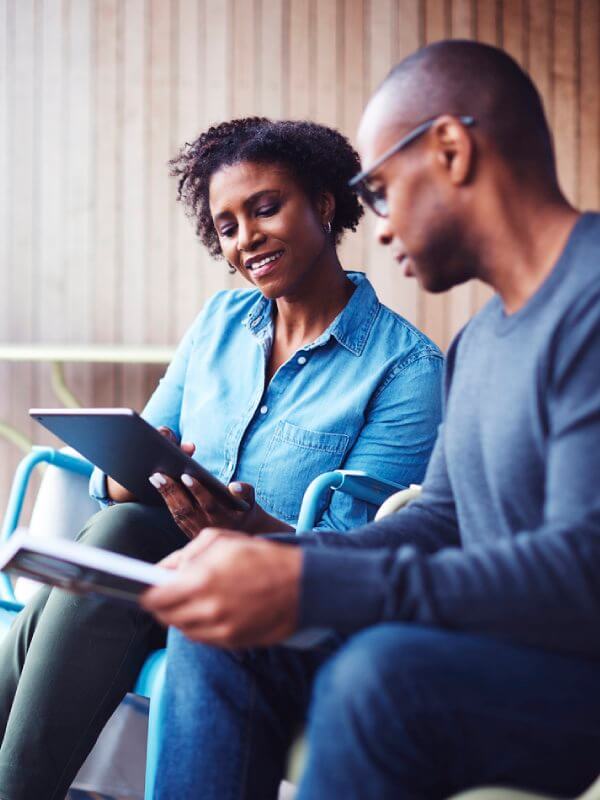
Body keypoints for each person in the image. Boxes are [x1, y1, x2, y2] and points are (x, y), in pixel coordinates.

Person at [143, 41, 600, 800]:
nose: (378, 228)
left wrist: (316, 583)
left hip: (575, 678)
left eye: (381, 190)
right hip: (480, 645)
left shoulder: (588, 305)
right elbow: (442, 521)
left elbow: (584, 570)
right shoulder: (479, 342)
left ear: (451, 149)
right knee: (218, 638)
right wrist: (285, 564)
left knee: (381, 678)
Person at [0, 118, 442, 800]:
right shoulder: (219, 322)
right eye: (227, 225)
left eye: (266, 208)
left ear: (324, 204)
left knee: (114, 546)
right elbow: (124, 473)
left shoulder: (406, 369)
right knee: (122, 528)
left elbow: (363, 556)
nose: (247, 239)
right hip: (163, 564)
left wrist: (250, 532)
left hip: (282, 598)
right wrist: (132, 472)